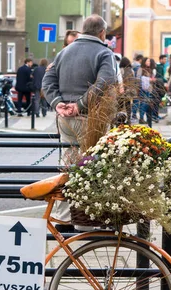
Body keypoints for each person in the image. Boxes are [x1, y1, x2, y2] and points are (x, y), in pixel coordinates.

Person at [42, 14, 118, 232]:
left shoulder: (65, 51)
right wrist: (81, 104)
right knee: (93, 168)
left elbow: (47, 80)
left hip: (64, 119)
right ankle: (87, 223)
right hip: (89, 119)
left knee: (68, 164)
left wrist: (58, 103)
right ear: (102, 32)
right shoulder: (104, 53)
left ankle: (64, 218)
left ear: (83, 30)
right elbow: (106, 81)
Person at [119, 56, 135, 122]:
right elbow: (133, 79)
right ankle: (129, 118)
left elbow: (119, 79)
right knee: (128, 105)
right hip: (130, 90)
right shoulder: (132, 70)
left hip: (122, 90)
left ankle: (121, 120)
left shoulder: (121, 70)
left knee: (121, 105)